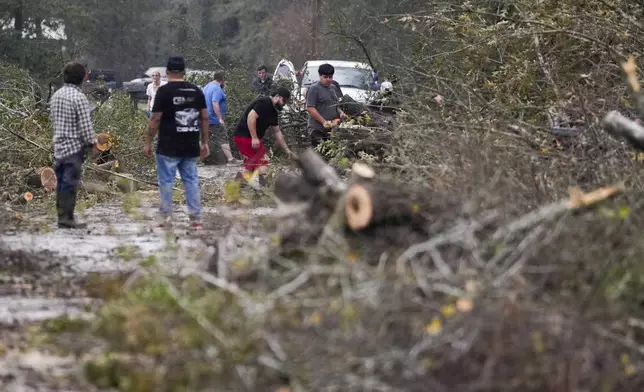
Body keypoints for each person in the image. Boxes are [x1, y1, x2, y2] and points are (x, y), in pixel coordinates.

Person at [145, 56, 210, 229]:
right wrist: (205, 142)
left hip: (167, 146)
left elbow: (155, 119)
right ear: (184, 72)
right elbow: (204, 117)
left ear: (166, 72)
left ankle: (165, 218)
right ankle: (196, 219)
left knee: (166, 181)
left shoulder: (163, 92)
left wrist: (148, 141)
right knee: (191, 180)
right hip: (190, 145)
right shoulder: (196, 91)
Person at [50, 61, 108, 229]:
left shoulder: (56, 96)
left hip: (59, 146)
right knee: (70, 182)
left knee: (61, 182)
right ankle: (67, 218)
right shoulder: (79, 97)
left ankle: (62, 216)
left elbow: (53, 121)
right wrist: (93, 145)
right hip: (74, 148)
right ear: (83, 77)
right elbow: (85, 126)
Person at [233, 87, 295, 187]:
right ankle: (265, 189)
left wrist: (287, 150)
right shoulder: (264, 102)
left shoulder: (273, 112)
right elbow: (251, 116)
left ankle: (236, 187)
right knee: (262, 163)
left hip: (248, 138)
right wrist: (254, 137)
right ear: (277, 96)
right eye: (283, 101)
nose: (284, 104)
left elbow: (277, 132)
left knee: (251, 165)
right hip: (244, 136)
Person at [202, 71, 239, 165]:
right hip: (214, 119)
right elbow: (215, 103)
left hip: (204, 118)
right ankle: (231, 160)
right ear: (222, 79)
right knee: (222, 138)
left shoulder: (207, 86)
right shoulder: (217, 88)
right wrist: (220, 118)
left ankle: (199, 160)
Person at [306, 63, 346, 148]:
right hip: (317, 129)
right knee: (320, 153)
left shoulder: (333, 88)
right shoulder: (314, 88)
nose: (328, 79)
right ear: (320, 76)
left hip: (332, 130)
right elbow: (310, 108)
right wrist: (324, 122)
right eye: (325, 77)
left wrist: (341, 112)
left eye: (330, 77)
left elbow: (335, 106)